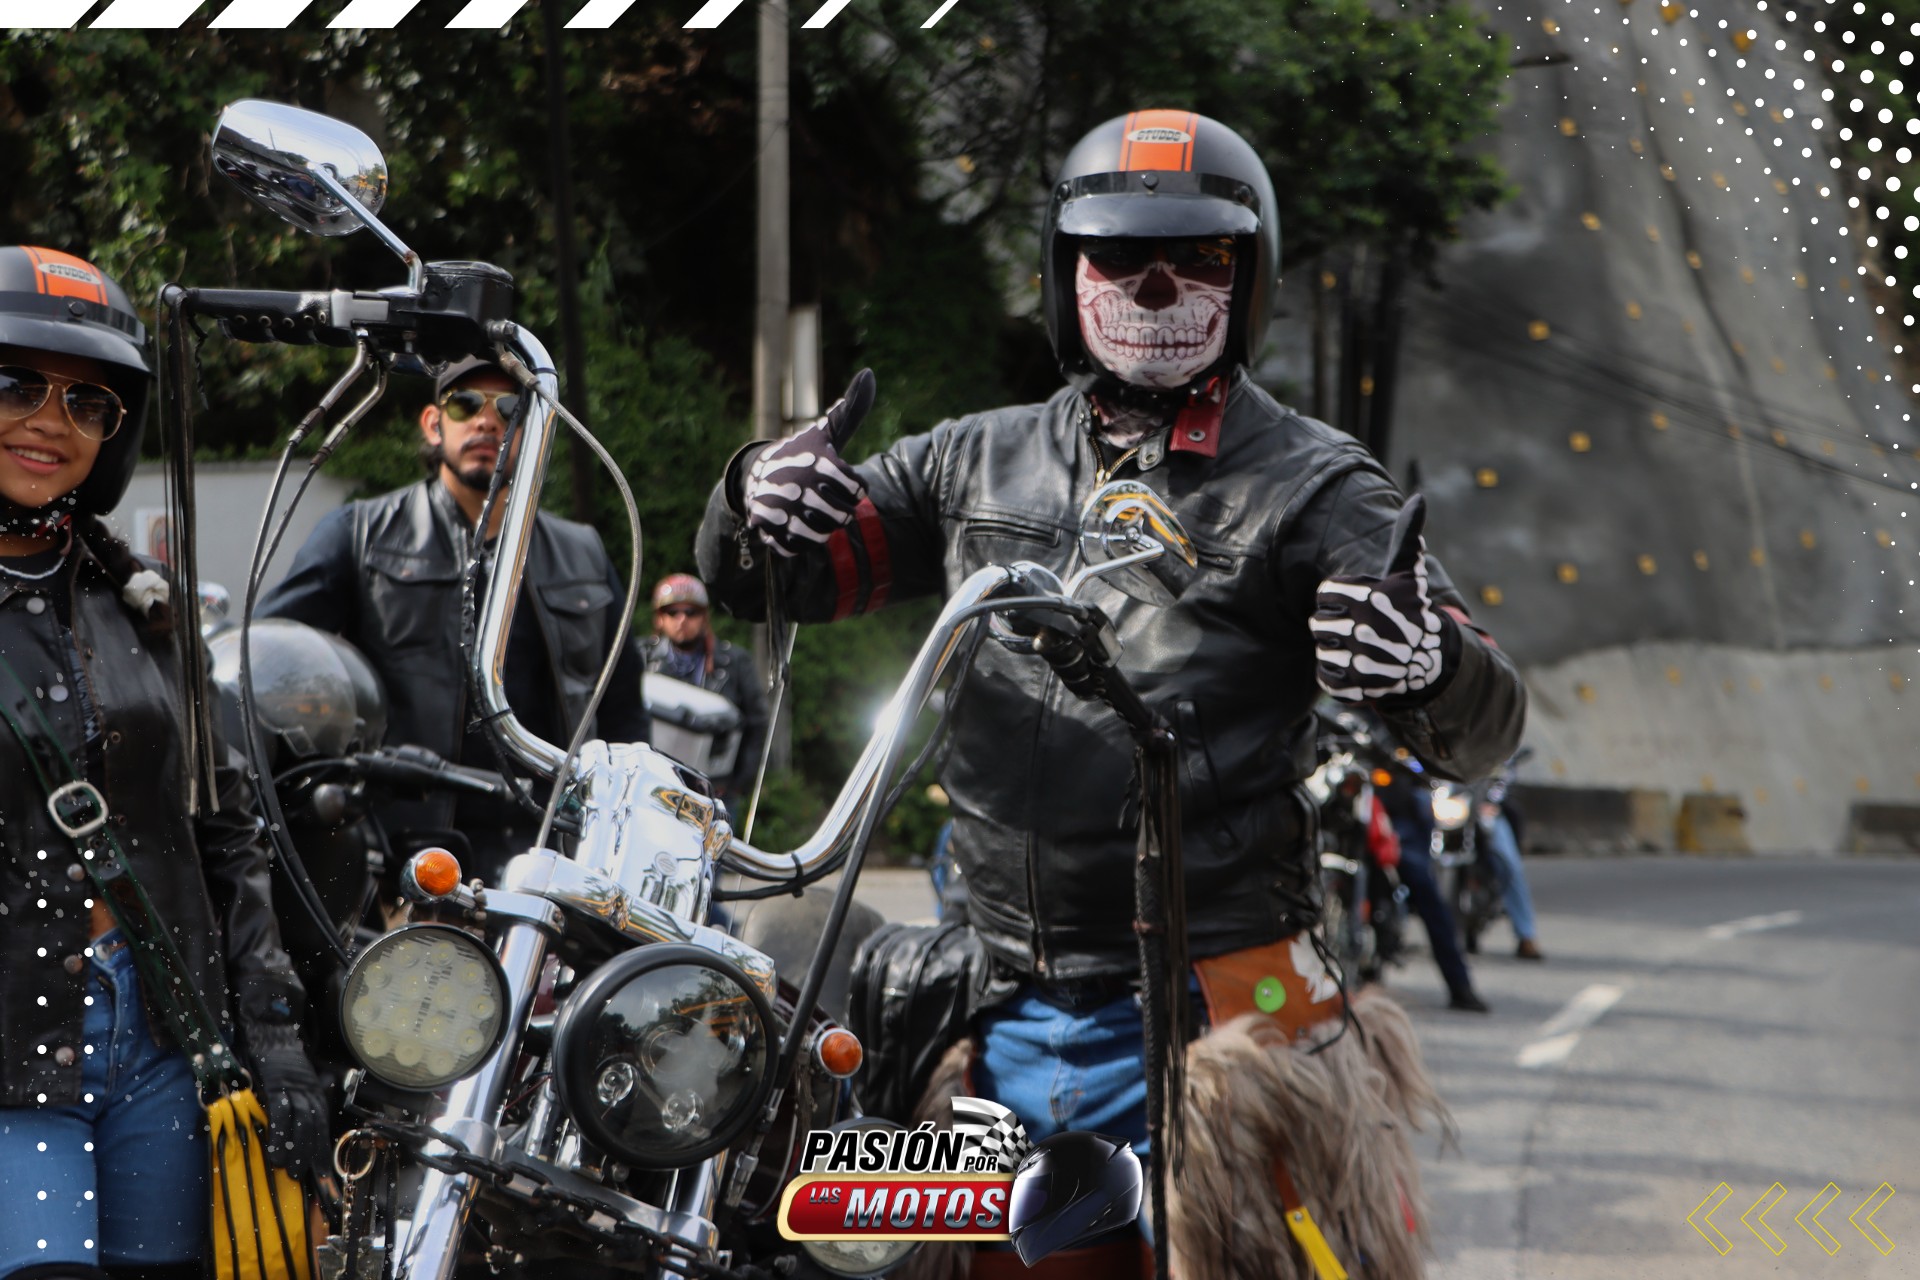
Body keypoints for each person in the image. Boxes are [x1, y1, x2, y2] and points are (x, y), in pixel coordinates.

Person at [698, 112, 1526, 1276]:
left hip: (1227, 1008)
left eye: (1198, 256)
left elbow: (1484, 723)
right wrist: (755, 498)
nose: (1155, 284)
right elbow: (778, 575)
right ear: (1065, 268)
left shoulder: (1319, 485)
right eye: (1120, 253)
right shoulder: (971, 459)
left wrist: (1428, 662)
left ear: (1250, 276)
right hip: (991, 997)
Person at [0, 246, 329, 1278]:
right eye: (15, 384)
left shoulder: (146, 609)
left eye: (87, 401)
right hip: (12, 1049)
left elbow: (229, 831)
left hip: (167, 1037)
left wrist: (277, 1036)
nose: (50, 420)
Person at [261, 354, 648, 881]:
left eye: (509, 408)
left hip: (550, 861)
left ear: (534, 432)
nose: (487, 421)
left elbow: (624, 714)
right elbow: (270, 661)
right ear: (433, 423)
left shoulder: (583, 554)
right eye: (465, 404)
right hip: (399, 858)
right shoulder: (360, 535)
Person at [1377, 759, 1494, 1010]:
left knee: (1425, 888)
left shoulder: (1405, 754)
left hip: (1397, 820)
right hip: (1350, 805)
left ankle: (1459, 985)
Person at [638, 573, 767, 798]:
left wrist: (737, 784)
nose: (682, 620)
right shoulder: (641, 657)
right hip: (649, 782)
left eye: (691, 612)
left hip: (712, 791)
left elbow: (757, 724)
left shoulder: (735, 662)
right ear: (659, 618)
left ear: (705, 616)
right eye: (672, 612)